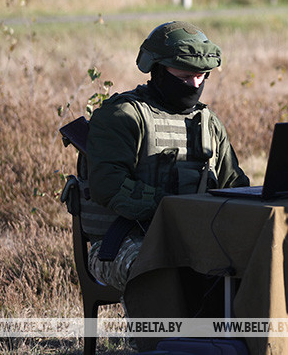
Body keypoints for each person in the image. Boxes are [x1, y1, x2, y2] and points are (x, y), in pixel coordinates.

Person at [85, 21, 250, 292]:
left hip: (196, 235)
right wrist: (174, 210)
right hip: (124, 240)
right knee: (157, 269)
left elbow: (234, 186)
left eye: (202, 76)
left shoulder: (208, 124)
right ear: (158, 71)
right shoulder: (123, 115)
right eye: (185, 76)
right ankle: (160, 336)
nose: (195, 84)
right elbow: (108, 186)